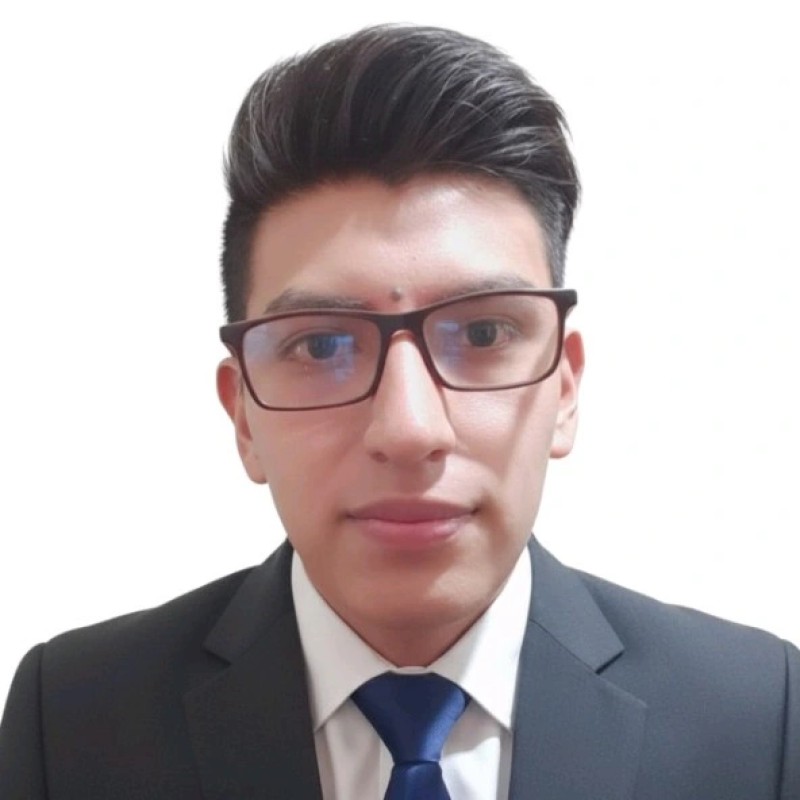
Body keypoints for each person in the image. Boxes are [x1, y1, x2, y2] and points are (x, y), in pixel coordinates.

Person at [0, 22, 797, 800]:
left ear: (564, 387)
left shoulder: (757, 719)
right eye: (319, 347)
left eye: (484, 332)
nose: (410, 430)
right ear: (243, 413)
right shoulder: (71, 720)